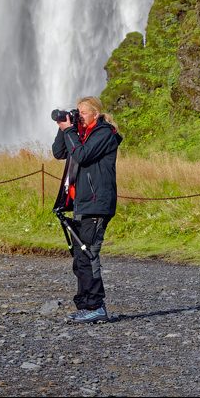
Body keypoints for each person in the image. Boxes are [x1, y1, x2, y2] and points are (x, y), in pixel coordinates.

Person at [52, 96, 122, 325]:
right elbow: (59, 152)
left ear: (95, 114)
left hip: (97, 203)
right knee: (80, 257)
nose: (78, 116)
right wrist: (64, 128)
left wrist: (70, 130)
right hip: (81, 202)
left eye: (82, 112)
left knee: (88, 253)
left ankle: (96, 307)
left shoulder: (105, 134)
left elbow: (81, 155)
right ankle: (85, 306)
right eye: (77, 112)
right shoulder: (80, 134)